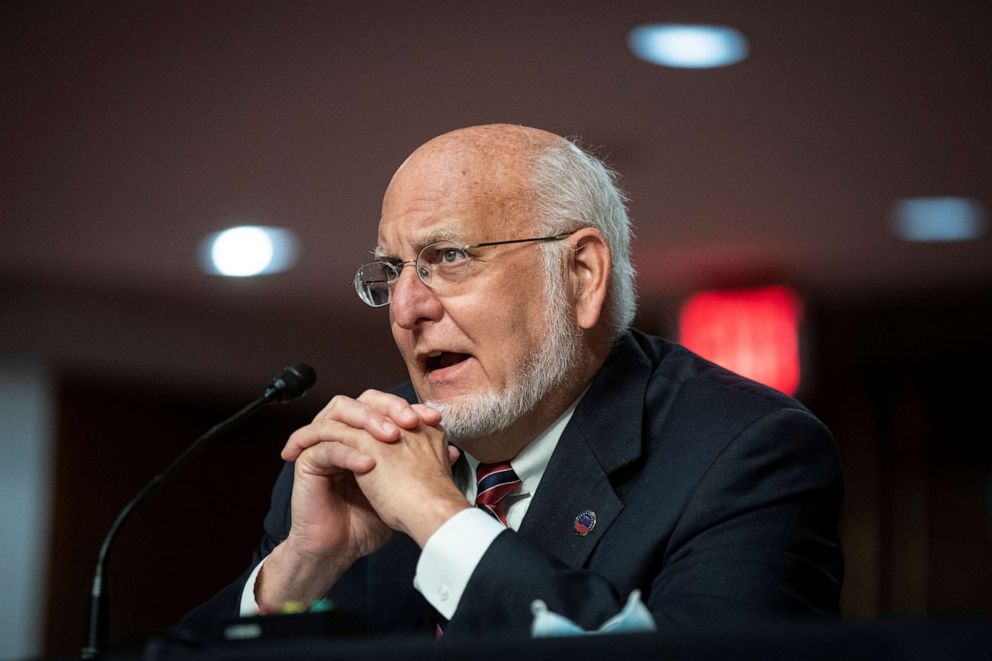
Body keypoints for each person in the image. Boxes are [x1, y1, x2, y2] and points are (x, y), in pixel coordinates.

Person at [182, 124, 843, 638]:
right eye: (392, 271)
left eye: (448, 257)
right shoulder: (357, 464)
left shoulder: (748, 453)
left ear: (581, 275)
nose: (407, 308)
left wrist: (441, 520)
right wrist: (294, 573)